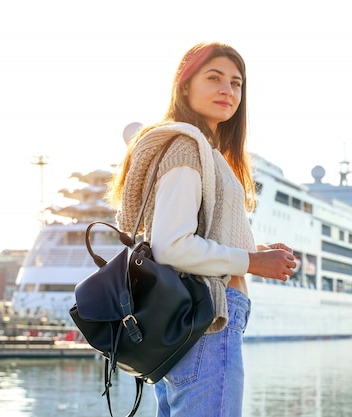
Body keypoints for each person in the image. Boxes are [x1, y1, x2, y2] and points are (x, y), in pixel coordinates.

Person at [108, 41, 296, 417]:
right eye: (214, 78)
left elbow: (187, 234)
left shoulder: (197, 147)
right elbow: (172, 246)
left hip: (188, 323)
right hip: (207, 321)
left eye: (236, 83)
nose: (228, 90)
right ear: (184, 84)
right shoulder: (188, 148)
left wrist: (253, 250)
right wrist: (252, 263)